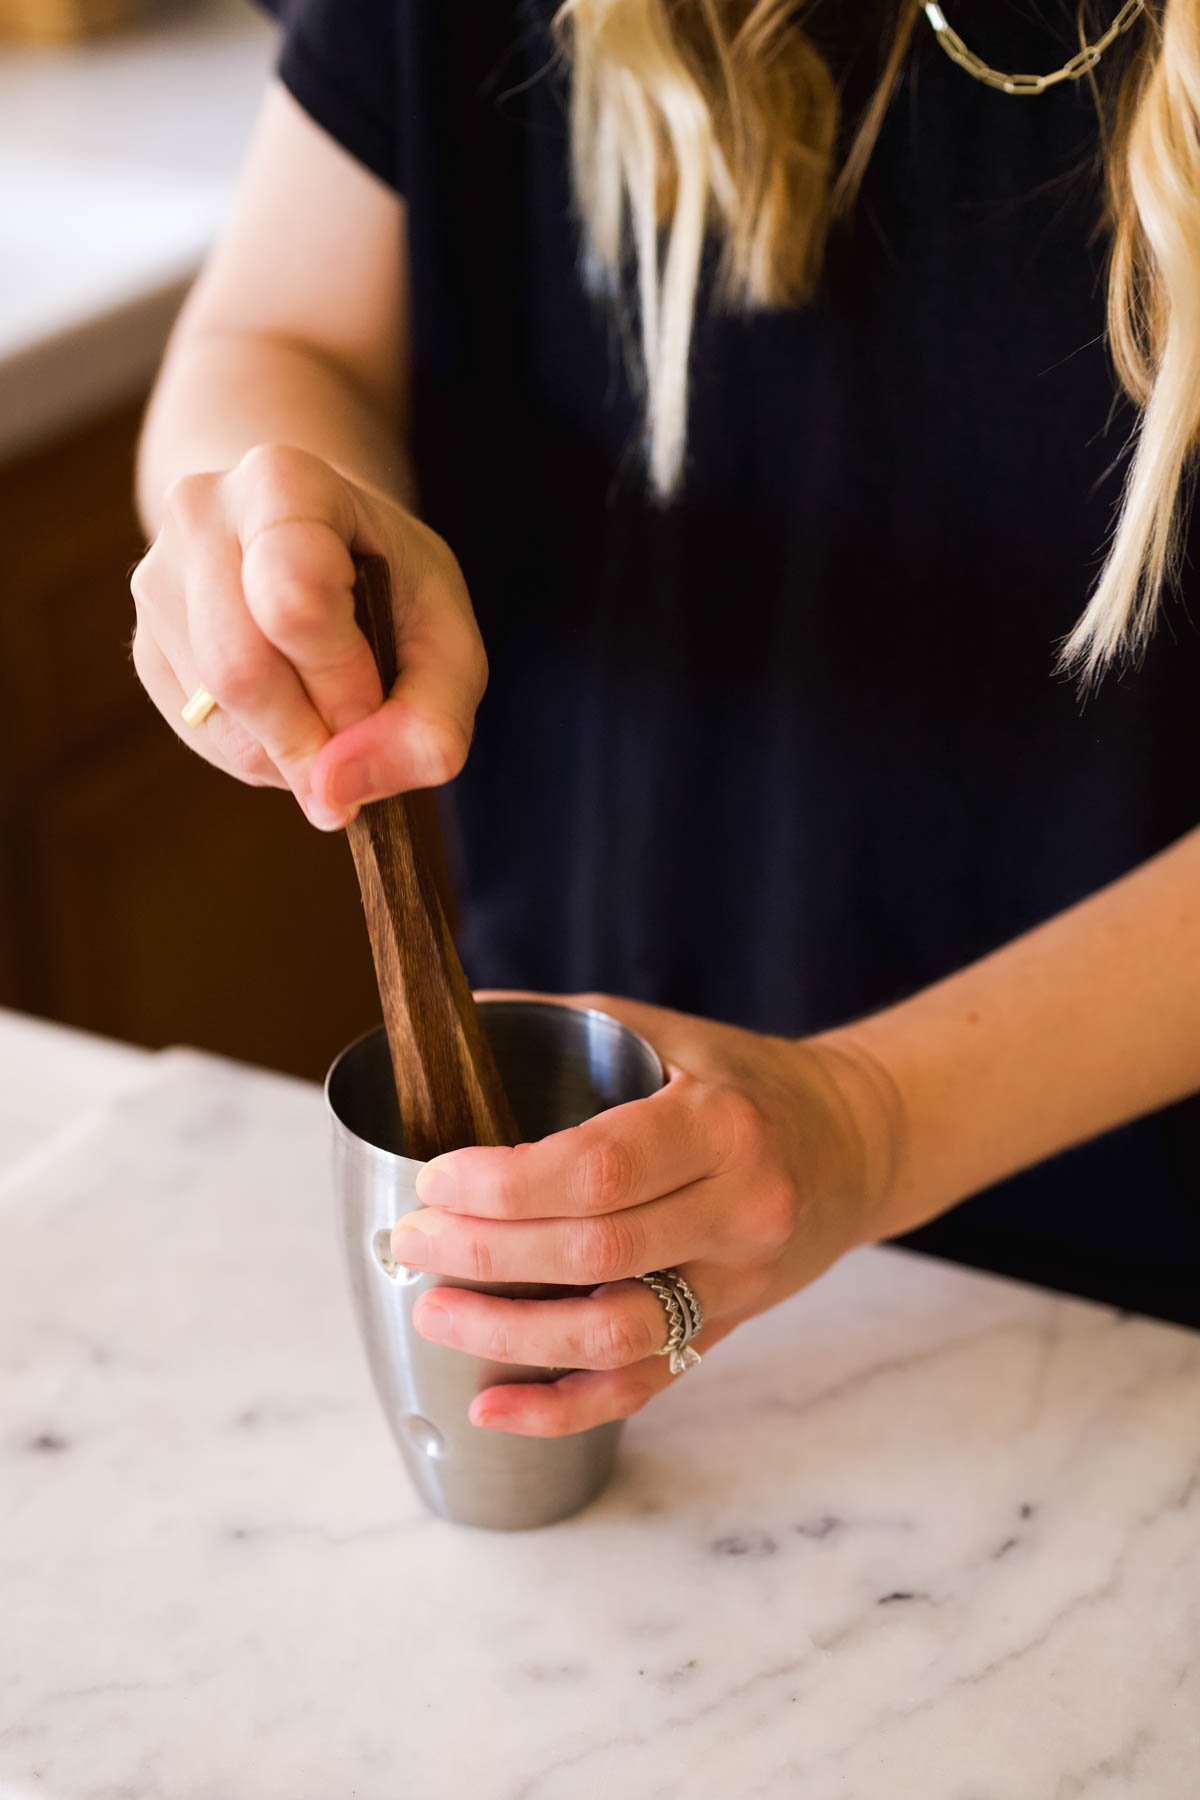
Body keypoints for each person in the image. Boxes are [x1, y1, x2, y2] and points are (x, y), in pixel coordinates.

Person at [131, 0, 1200, 1438]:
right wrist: (268, 521)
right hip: (599, 1250)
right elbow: (277, 332)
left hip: (1141, 1340)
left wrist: (871, 1118)